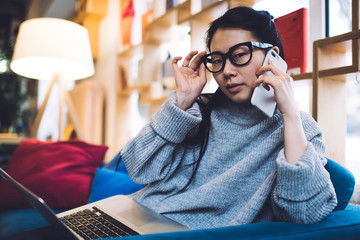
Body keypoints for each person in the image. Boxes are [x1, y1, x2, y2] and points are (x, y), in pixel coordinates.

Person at [119, 6, 337, 230]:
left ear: (273, 56)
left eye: (239, 55)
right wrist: (182, 99)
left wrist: (290, 114)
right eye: (217, 60)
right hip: (135, 217)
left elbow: (305, 212)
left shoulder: (297, 127)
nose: (227, 71)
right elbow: (138, 168)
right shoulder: (196, 112)